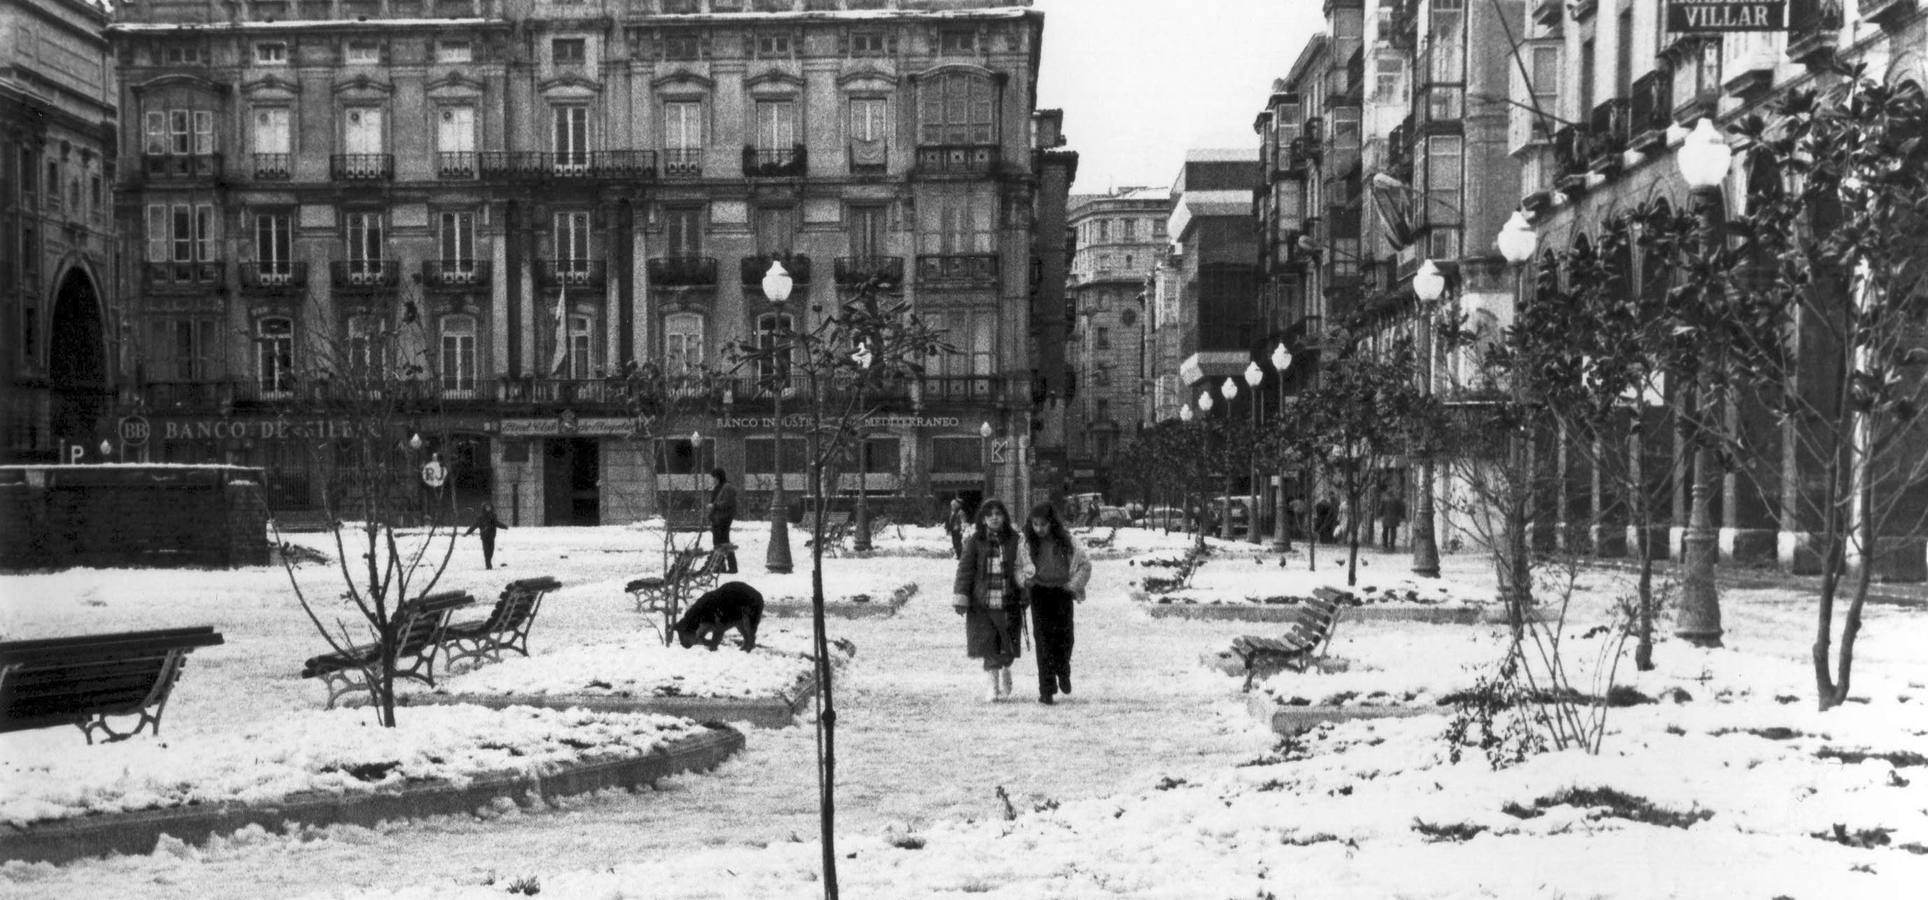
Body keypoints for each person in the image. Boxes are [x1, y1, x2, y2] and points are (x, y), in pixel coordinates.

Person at [952, 499, 1026, 702]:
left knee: (1007, 645)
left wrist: (1025, 590)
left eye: (998, 513)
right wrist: (961, 597)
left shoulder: (1014, 540)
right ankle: (992, 686)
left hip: (1008, 601)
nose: (994, 517)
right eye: (990, 514)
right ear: (983, 519)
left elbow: (1022, 566)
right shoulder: (974, 541)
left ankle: (1006, 670)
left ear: (1004, 517)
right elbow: (965, 570)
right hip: (982, 603)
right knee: (989, 644)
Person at [1020, 503, 1091, 705]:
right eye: (1035, 524)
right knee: (1043, 641)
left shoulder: (1067, 542)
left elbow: (1085, 565)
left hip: (1062, 592)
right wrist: (1024, 582)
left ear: (1052, 523)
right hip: (1039, 593)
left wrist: (1072, 586)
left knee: (1064, 637)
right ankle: (1046, 689)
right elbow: (1019, 567)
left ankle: (1063, 668)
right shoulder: (1027, 543)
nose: (1039, 529)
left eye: (1043, 524)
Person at [707, 468, 739, 574]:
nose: (712, 480)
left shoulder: (727, 488)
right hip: (717, 519)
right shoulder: (718, 488)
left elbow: (727, 503)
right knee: (718, 542)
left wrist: (714, 505)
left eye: (713, 477)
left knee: (724, 543)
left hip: (723, 519)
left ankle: (731, 567)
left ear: (718, 477)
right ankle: (720, 566)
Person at [465, 502, 507, 570]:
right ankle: (488, 564)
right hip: (484, 536)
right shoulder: (481, 517)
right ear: (484, 508)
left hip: (492, 536)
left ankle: (489, 562)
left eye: (489, 507)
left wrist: (504, 526)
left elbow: (497, 523)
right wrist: (467, 533)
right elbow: (474, 526)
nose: (488, 508)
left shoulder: (493, 516)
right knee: (486, 551)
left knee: (491, 550)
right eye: (487, 507)